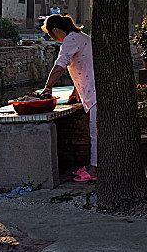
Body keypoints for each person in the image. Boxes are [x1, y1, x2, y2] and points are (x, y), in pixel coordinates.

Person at [41, 14, 97, 182]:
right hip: (91, 89)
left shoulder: (70, 40)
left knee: (95, 133)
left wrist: (47, 87)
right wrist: (75, 91)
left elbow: (60, 65)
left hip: (94, 91)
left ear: (56, 30)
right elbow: (83, 65)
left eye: (51, 34)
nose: (53, 38)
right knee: (94, 132)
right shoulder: (82, 37)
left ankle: (94, 169)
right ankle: (93, 165)